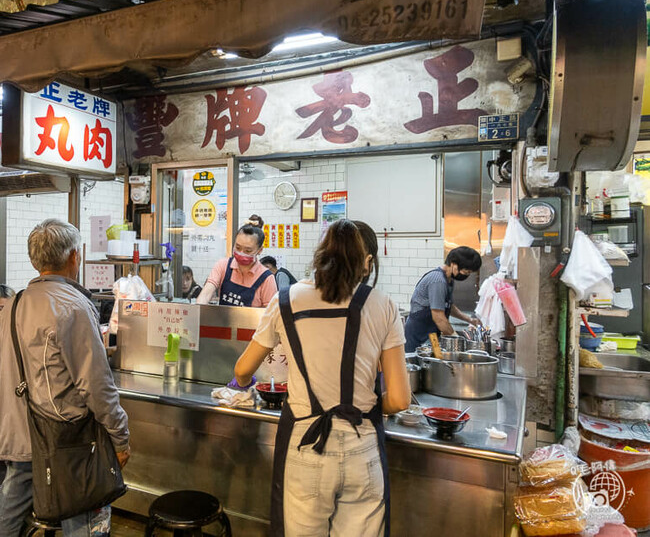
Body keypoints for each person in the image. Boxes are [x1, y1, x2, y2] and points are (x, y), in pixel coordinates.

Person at [232, 219, 410, 536]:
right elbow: (398, 399)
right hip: (362, 448)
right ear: (366, 262)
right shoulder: (383, 305)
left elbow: (243, 370)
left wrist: (243, 388)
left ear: (320, 256)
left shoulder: (286, 300)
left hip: (303, 447)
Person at [0, 219, 130, 537]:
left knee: (9, 514)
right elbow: (96, 384)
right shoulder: (73, 306)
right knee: (82, 518)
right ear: (74, 257)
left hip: (21, 435)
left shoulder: (12, 305)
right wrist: (120, 436)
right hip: (65, 441)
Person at [404, 246, 483, 353]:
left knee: (436, 361)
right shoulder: (438, 280)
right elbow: (439, 318)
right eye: (466, 271)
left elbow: (448, 306)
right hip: (418, 335)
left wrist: (469, 320)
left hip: (432, 334)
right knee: (420, 365)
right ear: (454, 264)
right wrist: (456, 339)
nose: (467, 275)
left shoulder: (449, 280)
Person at [196, 214, 278, 307]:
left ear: (260, 250)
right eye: (238, 247)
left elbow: (270, 315)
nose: (241, 253)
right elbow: (205, 295)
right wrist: (198, 311)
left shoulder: (267, 279)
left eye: (248, 250)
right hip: (222, 321)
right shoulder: (223, 265)